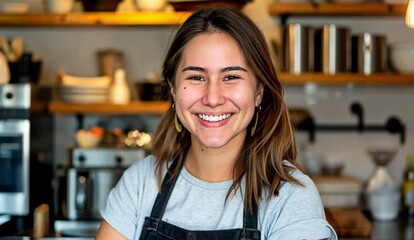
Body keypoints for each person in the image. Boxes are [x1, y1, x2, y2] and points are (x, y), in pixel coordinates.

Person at [96, 7, 337, 240]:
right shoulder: (140, 183)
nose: (212, 98)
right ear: (173, 89)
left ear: (259, 92)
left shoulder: (290, 197)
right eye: (196, 77)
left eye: (231, 77)